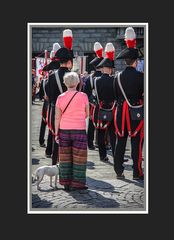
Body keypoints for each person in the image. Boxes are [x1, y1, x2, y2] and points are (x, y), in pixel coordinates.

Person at [114, 27, 144, 180]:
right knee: (136, 142)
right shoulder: (141, 76)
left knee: (120, 141)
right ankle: (137, 171)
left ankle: (118, 170)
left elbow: (116, 95)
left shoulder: (117, 77)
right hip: (136, 112)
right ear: (136, 61)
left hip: (121, 112)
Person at [55, 72, 89, 191]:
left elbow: (57, 117)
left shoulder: (60, 97)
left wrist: (56, 132)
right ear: (77, 82)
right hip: (79, 129)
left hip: (64, 129)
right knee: (79, 157)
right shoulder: (83, 96)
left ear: (65, 83)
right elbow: (87, 114)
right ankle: (78, 183)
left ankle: (66, 182)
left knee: (64, 157)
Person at [46, 29, 74, 165]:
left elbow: (48, 95)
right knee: (68, 142)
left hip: (54, 111)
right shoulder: (74, 77)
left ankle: (54, 163)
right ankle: (66, 164)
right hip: (70, 114)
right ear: (68, 61)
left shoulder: (51, 77)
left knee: (55, 138)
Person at [93, 42, 117, 162]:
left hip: (100, 108)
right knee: (113, 134)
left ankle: (102, 155)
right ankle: (116, 155)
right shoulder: (114, 80)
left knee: (101, 134)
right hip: (112, 108)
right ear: (110, 68)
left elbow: (94, 95)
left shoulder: (96, 80)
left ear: (103, 68)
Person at [84, 42, 103, 150]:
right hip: (105, 104)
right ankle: (102, 144)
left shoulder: (89, 78)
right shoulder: (108, 76)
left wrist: (92, 101)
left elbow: (86, 92)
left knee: (91, 125)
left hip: (93, 105)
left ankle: (90, 143)